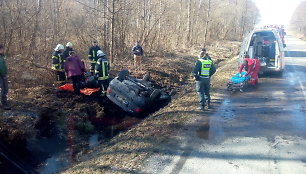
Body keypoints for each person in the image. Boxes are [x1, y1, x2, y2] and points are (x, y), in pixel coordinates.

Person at [0, 44, 10, 110]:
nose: (3, 50)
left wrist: (6, 73)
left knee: (6, 88)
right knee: (3, 89)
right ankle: (4, 104)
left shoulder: (2, 56)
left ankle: (4, 102)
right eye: (2, 49)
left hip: (4, 74)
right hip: (1, 75)